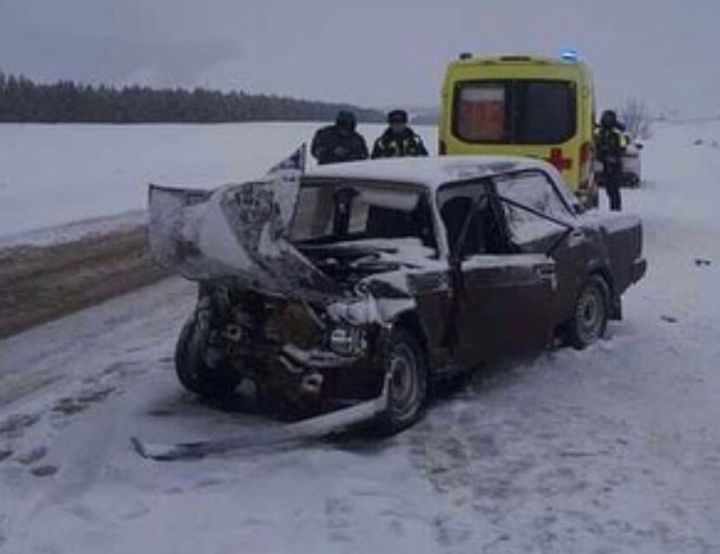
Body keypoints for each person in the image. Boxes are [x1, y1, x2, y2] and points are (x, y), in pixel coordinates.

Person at [595, 109, 628, 211]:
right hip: (602, 163)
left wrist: (613, 155)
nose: (607, 120)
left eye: (609, 118)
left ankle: (616, 210)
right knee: (607, 189)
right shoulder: (599, 131)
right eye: (606, 118)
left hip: (614, 165)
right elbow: (594, 143)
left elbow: (623, 146)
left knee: (614, 190)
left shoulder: (617, 132)